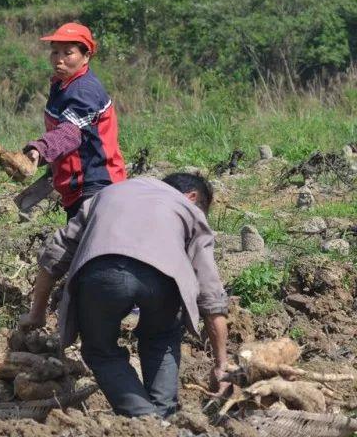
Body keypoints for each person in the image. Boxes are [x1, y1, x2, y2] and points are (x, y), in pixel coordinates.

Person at [19, 174, 230, 417]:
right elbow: (211, 292)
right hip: (164, 280)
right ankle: (161, 418)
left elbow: (54, 256)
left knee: (100, 350)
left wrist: (36, 314)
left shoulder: (108, 194)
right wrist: (221, 364)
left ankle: (143, 418)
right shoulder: (189, 209)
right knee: (162, 339)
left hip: (102, 272)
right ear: (192, 197)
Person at [22, 22, 126, 221]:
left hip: (97, 188)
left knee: (90, 249)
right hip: (77, 188)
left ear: (86, 56)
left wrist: (40, 149)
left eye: (68, 53)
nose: (58, 60)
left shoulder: (84, 91)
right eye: (55, 52)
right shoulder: (63, 85)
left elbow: (69, 133)